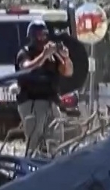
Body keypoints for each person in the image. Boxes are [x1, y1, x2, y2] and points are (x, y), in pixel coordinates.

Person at [15, 20, 72, 155]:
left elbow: (68, 71)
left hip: (51, 101)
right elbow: (27, 67)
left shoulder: (52, 55)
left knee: (55, 139)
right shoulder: (25, 53)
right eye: (39, 35)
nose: (42, 38)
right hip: (32, 101)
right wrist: (43, 56)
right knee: (35, 140)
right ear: (32, 36)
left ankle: (54, 162)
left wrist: (66, 58)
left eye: (44, 35)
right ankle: (31, 163)